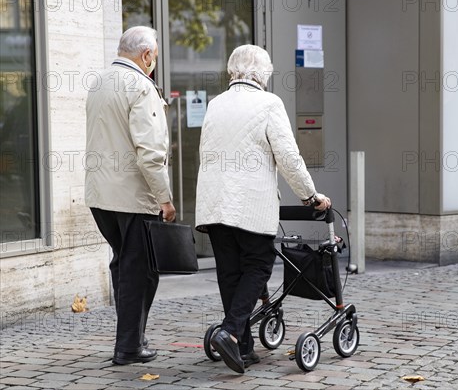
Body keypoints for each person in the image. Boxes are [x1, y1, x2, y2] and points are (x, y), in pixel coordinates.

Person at [195, 44, 331, 374]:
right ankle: (230, 332)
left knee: (229, 271)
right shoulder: (269, 103)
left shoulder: (215, 104)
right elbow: (288, 156)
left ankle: (241, 346)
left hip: (214, 203)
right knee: (259, 263)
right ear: (263, 73)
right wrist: (310, 196)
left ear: (233, 71)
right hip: (249, 203)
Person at [85, 26, 176, 365]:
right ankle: (128, 346)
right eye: (154, 55)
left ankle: (132, 336)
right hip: (133, 198)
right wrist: (164, 199)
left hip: (100, 196)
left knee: (124, 263)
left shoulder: (100, 82)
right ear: (146, 55)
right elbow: (150, 152)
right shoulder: (140, 86)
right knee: (141, 270)